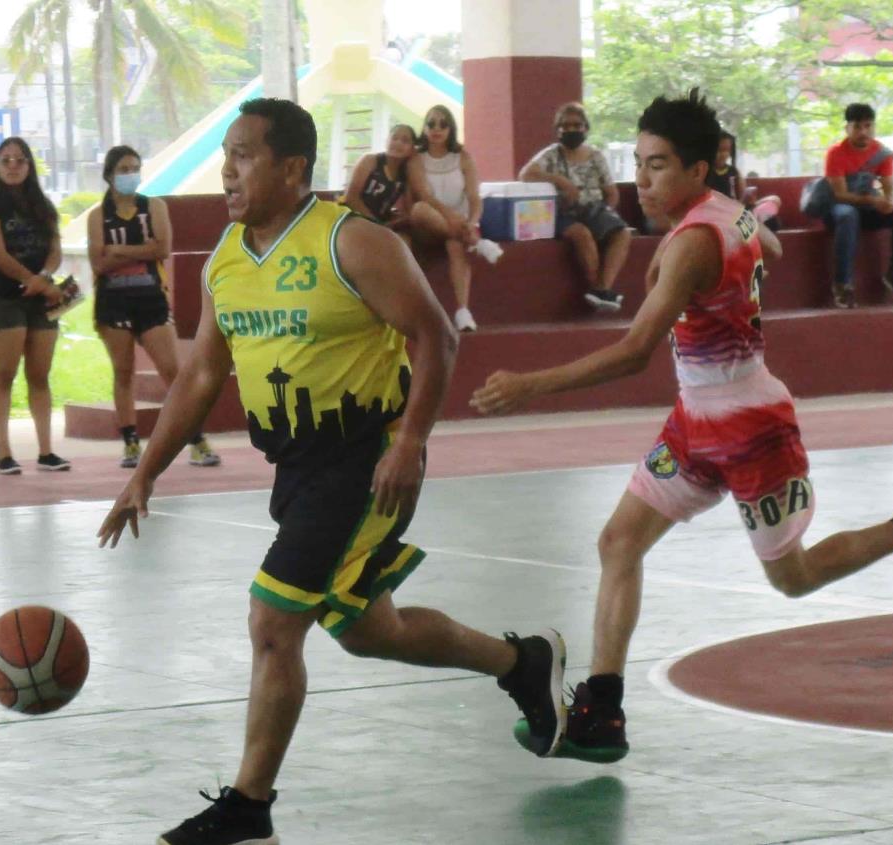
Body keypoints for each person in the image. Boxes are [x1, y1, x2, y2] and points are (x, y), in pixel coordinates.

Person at [97, 97, 567, 845]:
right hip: (296, 470)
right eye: (226, 153)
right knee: (366, 628)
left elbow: (434, 335)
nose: (227, 169)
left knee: (274, 619)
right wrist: (145, 470)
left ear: (291, 168)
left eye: (244, 154)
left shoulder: (352, 242)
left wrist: (410, 440)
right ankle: (521, 662)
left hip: (364, 461)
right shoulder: (224, 259)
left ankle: (248, 810)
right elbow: (198, 376)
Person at [471, 89, 893, 765]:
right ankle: (602, 708)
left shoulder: (690, 245)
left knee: (792, 578)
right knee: (618, 541)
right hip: (694, 423)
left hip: (750, 430)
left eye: (656, 166)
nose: (642, 181)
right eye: (640, 163)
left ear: (694, 171)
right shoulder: (725, 214)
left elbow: (630, 355)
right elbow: (762, 243)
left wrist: (526, 385)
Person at [87, 144, 220, 470]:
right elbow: (98, 261)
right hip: (113, 302)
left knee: (172, 371)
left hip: (151, 299)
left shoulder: (154, 207)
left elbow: (162, 247)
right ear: (109, 175)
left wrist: (119, 251)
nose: (130, 175)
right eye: (123, 169)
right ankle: (131, 442)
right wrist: (138, 250)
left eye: (135, 168)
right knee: (123, 371)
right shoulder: (97, 216)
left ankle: (195, 439)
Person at [0, 137, 70, 475]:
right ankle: (4, 453)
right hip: (5, 298)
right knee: (5, 373)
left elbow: (56, 251)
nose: (13, 165)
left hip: (43, 299)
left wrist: (43, 278)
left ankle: (46, 451)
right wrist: (32, 281)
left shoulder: (44, 206)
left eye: (20, 159)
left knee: (40, 375)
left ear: (30, 165)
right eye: (6, 160)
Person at [520, 102, 630, 312]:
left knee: (622, 233)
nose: (570, 130)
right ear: (557, 129)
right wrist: (560, 181)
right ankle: (599, 291)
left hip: (594, 209)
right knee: (582, 234)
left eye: (576, 125)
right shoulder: (551, 155)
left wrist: (605, 215)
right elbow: (525, 175)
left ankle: (602, 289)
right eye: (565, 125)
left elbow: (612, 193)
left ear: (585, 128)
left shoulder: (596, 156)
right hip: (562, 213)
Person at [409, 104, 492, 333]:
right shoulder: (417, 159)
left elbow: (475, 197)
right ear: (424, 128)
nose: (437, 128)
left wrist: (472, 222)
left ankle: (463, 312)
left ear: (451, 128)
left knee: (455, 245)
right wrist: (456, 221)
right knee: (420, 209)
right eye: (431, 123)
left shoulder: (463, 157)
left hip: (462, 226)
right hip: (430, 224)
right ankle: (476, 243)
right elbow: (425, 196)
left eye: (443, 124)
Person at [823, 103, 893, 309]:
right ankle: (842, 284)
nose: (863, 132)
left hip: (866, 209)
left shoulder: (882, 153)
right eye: (857, 127)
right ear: (848, 128)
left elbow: (890, 188)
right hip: (838, 210)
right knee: (847, 215)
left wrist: (890, 202)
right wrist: (873, 200)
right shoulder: (836, 153)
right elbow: (840, 195)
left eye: (868, 126)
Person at [706, 130, 783, 262]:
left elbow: (742, 197)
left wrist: (749, 200)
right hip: (719, 212)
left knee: (774, 200)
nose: (723, 155)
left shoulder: (734, 171)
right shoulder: (706, 172)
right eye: (719, 150)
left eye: (727, 151)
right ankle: (756, 221)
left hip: (738, 208)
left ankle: (757, 219)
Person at [342, 123, 420, 240]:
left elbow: (408, 213)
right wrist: (377, 224)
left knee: (405, 240)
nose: (398, 143)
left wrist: (393, 221)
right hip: (351, 218)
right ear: (386, 141)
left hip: (379, 225)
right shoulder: (370, 160)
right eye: (394, 138)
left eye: (405, 141)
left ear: (412, 150)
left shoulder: (405, 175)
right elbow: (351, 198)